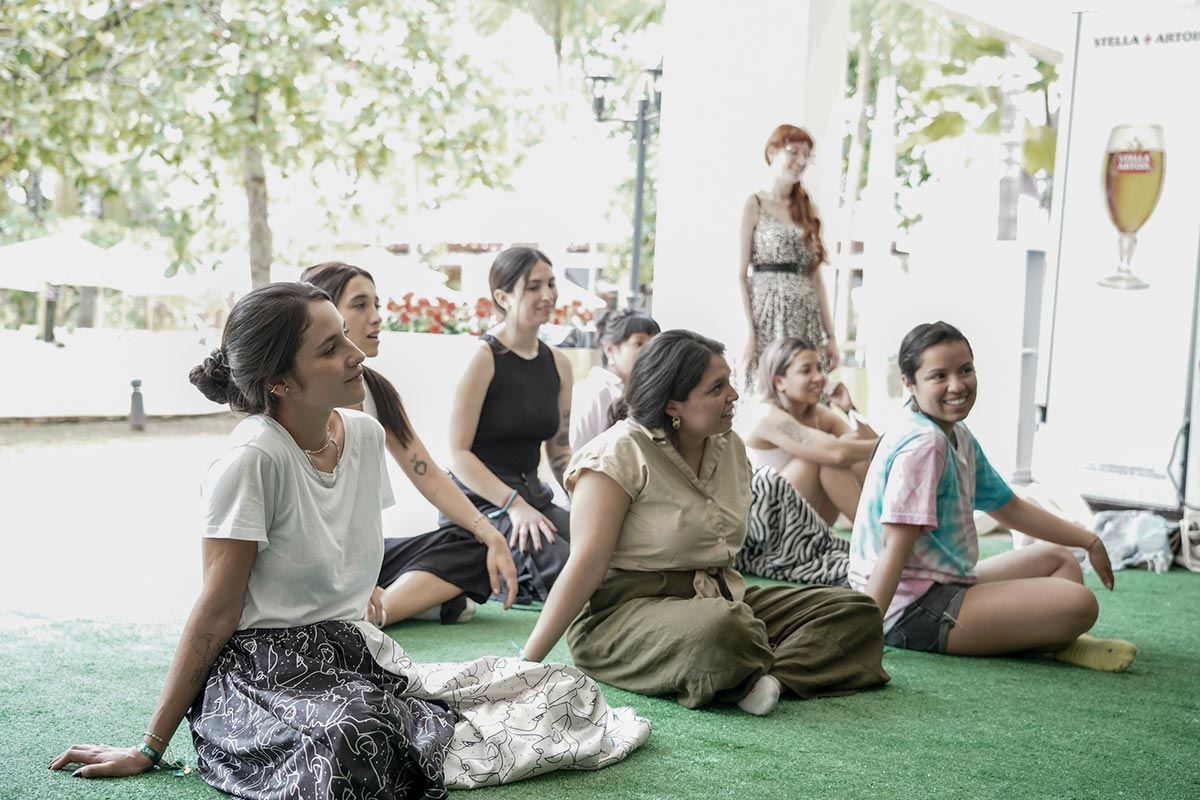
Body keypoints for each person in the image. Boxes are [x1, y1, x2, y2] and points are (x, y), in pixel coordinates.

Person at [49, 282, 649, 796]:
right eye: (330, 348)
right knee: (354, 737)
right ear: (279, 383)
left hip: (353, 655)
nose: (356, 353)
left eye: (346, 336)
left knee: (559, 687)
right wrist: (150, 745)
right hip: (260, 673)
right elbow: (215, 611)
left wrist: (451, 556)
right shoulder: (252, 460)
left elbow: (350, 552)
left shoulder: (362, 435)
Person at [521, 330, 890, 716]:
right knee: (725, 630)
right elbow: (585, 565)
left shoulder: (729, 446)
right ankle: (764, 664)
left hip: (722, 599)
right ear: (673, 404)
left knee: (857, 610)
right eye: (717, 388)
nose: (734, 395)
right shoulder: (617, 454)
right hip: (623, 617)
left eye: (729, 382)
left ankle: (770, 679)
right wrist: (527, 663)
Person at [850, 321, 1138, 670]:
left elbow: (1009, 507)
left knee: (1060, 560)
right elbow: (892, 547)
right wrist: (862, 636)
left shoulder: (954, 432)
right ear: (909, 383)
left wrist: (1089, 540)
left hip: (943, 581)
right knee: (1080, 603)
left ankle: (1060, 642)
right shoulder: (924, 444)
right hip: (910, 609)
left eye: (965, 370)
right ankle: (1051, 636)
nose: (957, 385)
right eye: (939, 376)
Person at [300, 261, 517, 625]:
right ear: (325, 315)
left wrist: (490, 533)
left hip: (362, 556)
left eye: (376, 305)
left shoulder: (376, 391)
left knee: (470, 546)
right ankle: (396, 606)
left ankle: (374, 614)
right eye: (360, 305)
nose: (376, 317)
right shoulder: (303, 397)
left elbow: (427, 473)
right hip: (310, 558)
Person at [447, 247, 574, 603]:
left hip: (534, 497)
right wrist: (514, 506)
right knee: (568, 569)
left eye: (551, 284)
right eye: (533, 287)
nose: (547, 295)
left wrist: (585, 499)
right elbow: (458, 454)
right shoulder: (483, 357)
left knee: (604, 551)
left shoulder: (559, 363)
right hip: (484, 502)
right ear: (503, 297)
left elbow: (560, 451)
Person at [735, 336, 878, 585]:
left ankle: (880, 530)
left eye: (819, 368)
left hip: (804, 520)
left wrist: (850, 409)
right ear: (779, 381)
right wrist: (892, 442)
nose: (819, 377)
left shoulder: (819, 415)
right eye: (806, 370)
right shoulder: (766, 415)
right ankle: (877, 537)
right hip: (765, 527)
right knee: (825, 457)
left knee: (850, 450)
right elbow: (838, 453)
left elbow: (870, 452)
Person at [739, 123, 838, 391]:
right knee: (769, 386)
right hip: (767, 313)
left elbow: (816, 278)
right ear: (772, 152)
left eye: (807, 155)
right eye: (794, 152)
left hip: (806, 315)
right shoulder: (754, 204)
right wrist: (749, 331)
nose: (801, 161)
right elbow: (739, 275)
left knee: (807, 387)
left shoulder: (807, 208)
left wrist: (830, 335)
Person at [569, 308, 660, 451]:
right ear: (609, 349)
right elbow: (577, 453)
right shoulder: (592, 392)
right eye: (639, 343)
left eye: (654, 344)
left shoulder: (648, 390)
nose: (650, 352)